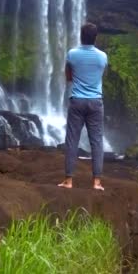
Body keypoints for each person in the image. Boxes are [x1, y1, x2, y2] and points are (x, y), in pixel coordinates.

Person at [58, 23, 108, 191]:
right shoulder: (103, 57)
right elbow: (101, 75)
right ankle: (96, 182)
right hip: (95, 102)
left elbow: (68, 77)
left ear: (81, 36)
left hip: (77, 101)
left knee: (72, 140)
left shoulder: (72, 54)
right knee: (97, 142)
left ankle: (68, 181)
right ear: (96, 37)